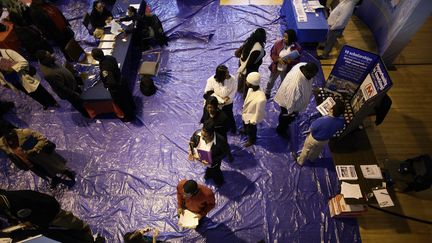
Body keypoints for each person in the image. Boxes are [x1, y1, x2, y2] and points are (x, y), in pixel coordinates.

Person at [0, 189, 96, 242]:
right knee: (59, 234)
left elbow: (50, 202)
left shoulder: (20, 198)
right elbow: (10, 214)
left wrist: (50, 217)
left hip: (52, 214)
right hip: (39, 221)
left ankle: (86, 232)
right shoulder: (3, 206)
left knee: (71, 223)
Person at [0, 128, 76, 189]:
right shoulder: (3, 143)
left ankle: (66, 172)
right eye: (8, 138)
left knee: (55, 165)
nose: (11, 140)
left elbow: (42, 139)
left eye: (12, 136)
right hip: (29, 163)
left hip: (39, 156)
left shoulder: (25, 132)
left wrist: (34, 149)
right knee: (43, 172)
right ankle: (54, 178)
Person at [36, 50, 89, 117]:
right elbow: (62, 88)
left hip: (71, 83)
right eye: (49, 56)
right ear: (45, 60)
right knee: (78, 103)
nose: (53, 56)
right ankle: (86, 114)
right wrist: (74, 94)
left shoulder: (47, 62)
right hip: (69, 91)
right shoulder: (50, 74)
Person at [274, 62, 319, 138]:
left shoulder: (301, 65)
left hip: (293, 102)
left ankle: (286, 122)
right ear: (307, 73)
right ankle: (281, 130)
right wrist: (290, 112)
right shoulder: (295, 84)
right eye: (313, 75)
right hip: (287, 104)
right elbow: (290, 99)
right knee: (285, 117)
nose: (314, 77)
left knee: (289, 117)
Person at [91, 48, 136, 121]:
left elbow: (111, 82)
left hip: (117, 88)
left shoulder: (105, 69)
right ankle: (133, 107)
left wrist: (109, 88)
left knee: (122, 103)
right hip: (122, 80)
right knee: (128, 97)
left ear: (96, 58)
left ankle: (129, 117)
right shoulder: (109, 57)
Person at [295, 100, 345, 165]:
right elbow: (339, 127)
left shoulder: (322, 120)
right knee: (317, 151)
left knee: (306, 149)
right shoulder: (341, 122)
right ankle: (312, 159)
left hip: (313, 139)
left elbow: (313, 127)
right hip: (325, 140)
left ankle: (300, 161)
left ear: (332, 110)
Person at [188, 120, 229, 187]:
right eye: (202, 135)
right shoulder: (197, 134)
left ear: (211, 134)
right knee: (209, 170)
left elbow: (225, 152)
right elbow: (192, 142)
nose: (202, 138)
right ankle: (209, 172)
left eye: (205, 136)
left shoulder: (221, 140)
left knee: (216, 170)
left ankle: (218, 178)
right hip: (201, 157)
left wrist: (211, 160)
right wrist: (191, 152)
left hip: (214, 161)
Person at [265, 29, 301, 99]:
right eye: (284, 36)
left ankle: (280, 94)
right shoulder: (278, 43)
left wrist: (291, 61)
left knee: (283, 83)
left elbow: (297, 60)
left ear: (291, 38)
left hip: (286, 69)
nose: (284, 38)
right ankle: (267, 92)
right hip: (276, 67)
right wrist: (278, 59)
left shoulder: (297, 48)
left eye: (286, 37)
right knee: (270, 81)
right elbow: (273, 53)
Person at [203, 65, 237, 133]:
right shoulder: (211, 80)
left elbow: (234, 89)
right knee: (214, 117)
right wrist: (220, 100)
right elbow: (208, 93)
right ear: (221, 75)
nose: (228, 74)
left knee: (229, 115)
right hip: (216, 103)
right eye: (226, 73)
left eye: (228, 72)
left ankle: (233, 129)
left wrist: (229, 97)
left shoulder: (232, 79)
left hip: (228, 102)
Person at [200, 96, 233, 161]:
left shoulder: (223, 117)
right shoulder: (206, 110)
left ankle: (229, 155)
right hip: (209, 134)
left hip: (219, 134)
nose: (209, 109)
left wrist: (217, 130)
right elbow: (204, 118)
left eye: (211, 107)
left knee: (224, 146)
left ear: (215, 106)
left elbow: (227, 128)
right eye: (208, 107)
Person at [236, 28, 266, 98]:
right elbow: (252, 62)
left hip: (242, 62)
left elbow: (241, 50)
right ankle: (245, 96)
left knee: (241, 77)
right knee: (248, 82)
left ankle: (240, 89)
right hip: (250, 68)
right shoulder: (258, 48)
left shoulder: (249, 40)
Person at [241, 72, 266, 147]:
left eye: (247, 81)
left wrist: (253, 121)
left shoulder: (261, 98)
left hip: (252, 118)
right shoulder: (250, 89)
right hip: (246, 113)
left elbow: (259, 113)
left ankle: (251, 140)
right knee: (245, 125)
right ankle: (245, 131)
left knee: (251, 130)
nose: (245, 82)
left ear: (251, 83)